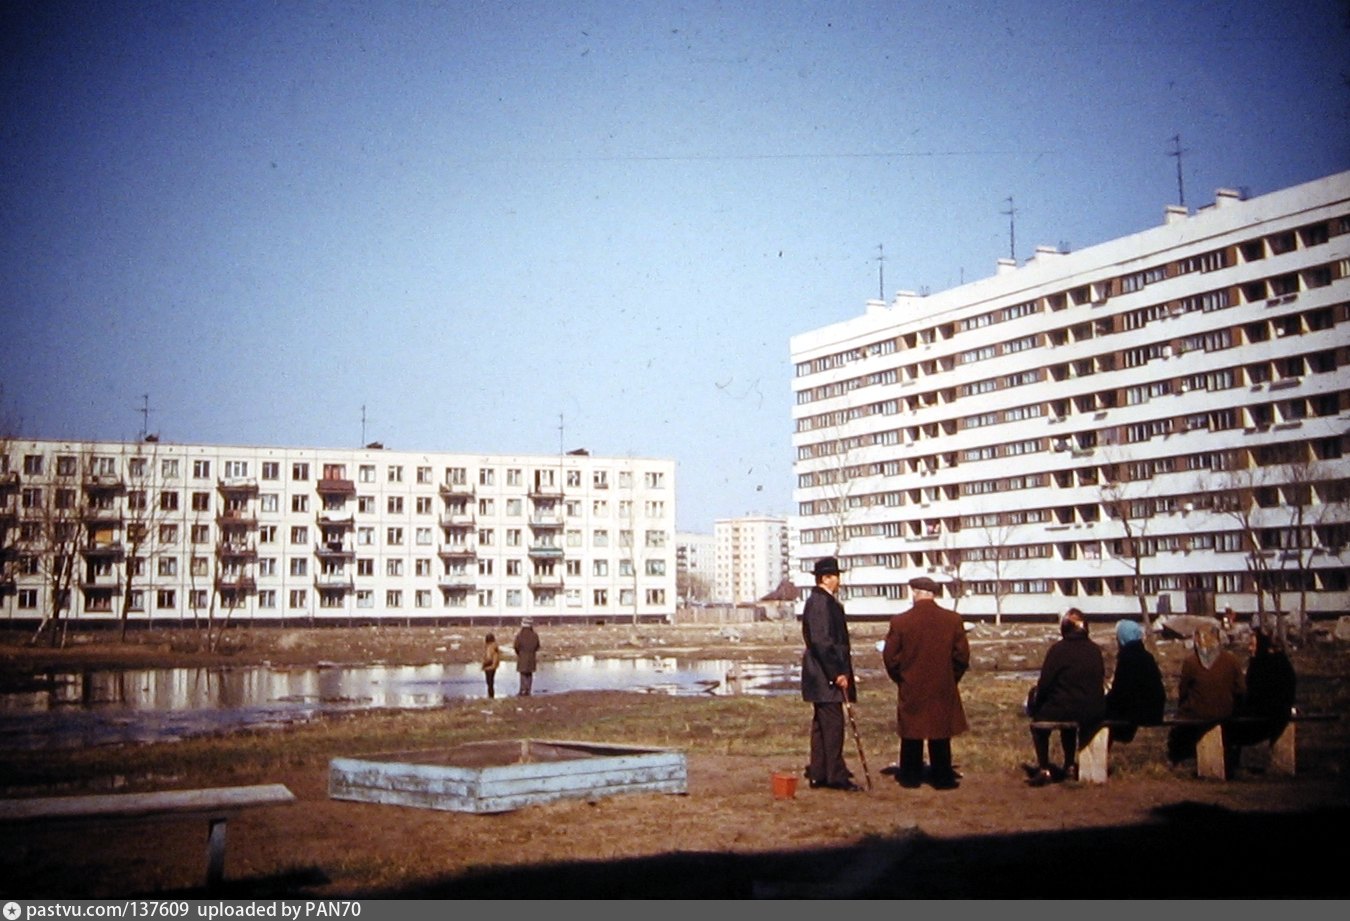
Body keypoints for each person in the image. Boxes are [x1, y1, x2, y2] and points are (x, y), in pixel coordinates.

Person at [881, 575, 970, 790]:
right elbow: (962, 657)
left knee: (912, 731)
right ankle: (942, 776)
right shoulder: (953, 620)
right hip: (942, 685)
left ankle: (910, 776)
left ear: (915, 592)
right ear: (934, 594)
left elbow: (890, 656)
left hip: (911, 684)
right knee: (941, 731)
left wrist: (901, 677)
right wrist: (950, 677)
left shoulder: (900, 621)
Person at [800, 556, 861, 792]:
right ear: (826, 578)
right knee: (832, 726)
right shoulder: (820, 603)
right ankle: (835, 776)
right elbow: (822, 641)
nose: (839, 581)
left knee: (822, 725)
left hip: (821, 675)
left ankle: (819, 772)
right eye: (836, 576)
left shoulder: (824, 601)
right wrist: (837, 673)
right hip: (824, 675)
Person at [1025, 608, 1105, 786]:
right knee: (1068, 722)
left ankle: (1044, 768)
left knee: (1039, 725)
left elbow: (1045, 683)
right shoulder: (1094, 650)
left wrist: (1036, 703)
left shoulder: (1058, 650)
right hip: (1092, 709)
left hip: (1064, 707)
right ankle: (1069, 764)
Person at [1166, 622, 1244, 765]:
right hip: (1226, 711)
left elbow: (1183, 690)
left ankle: (1177, 759)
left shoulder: (1191, 662)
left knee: (1178, 727)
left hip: (1197, 711)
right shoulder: (1231, 660)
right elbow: (1240, 689)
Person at [1227, 627, 1297, 762]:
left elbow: (1252, 694)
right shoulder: (1282, 662)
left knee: (1228, 725)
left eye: (1252, 645)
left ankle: (1231, 763)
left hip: (1263, 717)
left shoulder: (1259, 665)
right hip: (1281, 714)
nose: (1249, 648)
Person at [1104, 619, 1165, 744]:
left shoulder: (1127, 659)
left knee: (1099, 715)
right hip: (1155, 709)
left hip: (1138, 711)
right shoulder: (1147, 656)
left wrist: (1105, 700)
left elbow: (1121, 692)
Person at [513, 618, 540, 697]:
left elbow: (516, 646)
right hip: (531, 657)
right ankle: (528, 690)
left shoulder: (520, 635)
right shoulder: (534, 635)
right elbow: (537, 646)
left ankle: (522, 690)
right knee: (529, 674)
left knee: (523, 674)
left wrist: (519, 653)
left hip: (522, 656)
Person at [481, 632, 501, 699]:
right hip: (494, 666)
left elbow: (489, 658)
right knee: (491, 682)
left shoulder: (490, 647)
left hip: (489, 667)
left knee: (489, 683)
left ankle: (490, 696)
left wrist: (483, 664)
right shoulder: (495, 646)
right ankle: (491, 695)